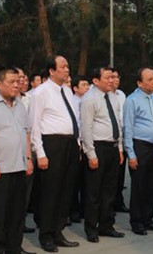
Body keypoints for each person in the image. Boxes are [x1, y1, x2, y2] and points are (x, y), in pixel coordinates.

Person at [0, 67, 34, 254]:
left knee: (17, 212)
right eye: (12, 82)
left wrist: (28, 158)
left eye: (18, 81)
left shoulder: (20, 104)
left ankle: (14, 247)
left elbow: (26, 132)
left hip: (19, 166)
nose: (16, 85)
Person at [29, 56, 81, 252]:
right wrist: (40, 153)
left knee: (66, 190)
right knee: (50, 191)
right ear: (51, 71)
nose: (67, 69)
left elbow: (73, 119)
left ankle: (58, 231)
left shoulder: (67, 91)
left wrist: (77, 144)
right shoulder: (40, 93)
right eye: (63, 66)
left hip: (69, 144)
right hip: (51, 144)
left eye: (68, 66)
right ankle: (46, 234)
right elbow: (34, 125)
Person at [81, 67, 125, 242]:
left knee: (109, 190)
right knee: (94, 191)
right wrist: (90, 154)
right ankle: (91, 228)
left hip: (113, 148)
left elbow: (118, 124)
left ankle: (106, 225)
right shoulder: (89, 99)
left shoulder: (113, 98)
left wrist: (120, 147)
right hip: (97, 148)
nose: (111, 80)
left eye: (113, 77)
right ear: (96, 81)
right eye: (107, 77)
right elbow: (86, 128)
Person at [123, 67, 153, 235]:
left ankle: (148, 219)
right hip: (140, 147)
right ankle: (137, 222)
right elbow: (127, 128)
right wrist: (131, 154)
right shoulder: (132, 100)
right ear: (139, 82)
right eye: (149, 79)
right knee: (140, 186)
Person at [69, 75, 91, 223]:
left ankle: (84, 208)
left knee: (86, 179)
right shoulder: (72, 102)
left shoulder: (88, 101)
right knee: (74, 180)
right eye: (83, 85)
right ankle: (73, 209)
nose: (87, 87)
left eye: (88, 84)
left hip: (87, 143)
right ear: (75, 88)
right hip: (76, 143)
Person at [110, 69, 129, 213]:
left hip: (122, 136)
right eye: (112, 77)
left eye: (117, 77)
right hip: (108, 139)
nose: (115, 80)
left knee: (120, 172)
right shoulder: (104, 95)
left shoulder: (121, 95)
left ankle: (118, 200)